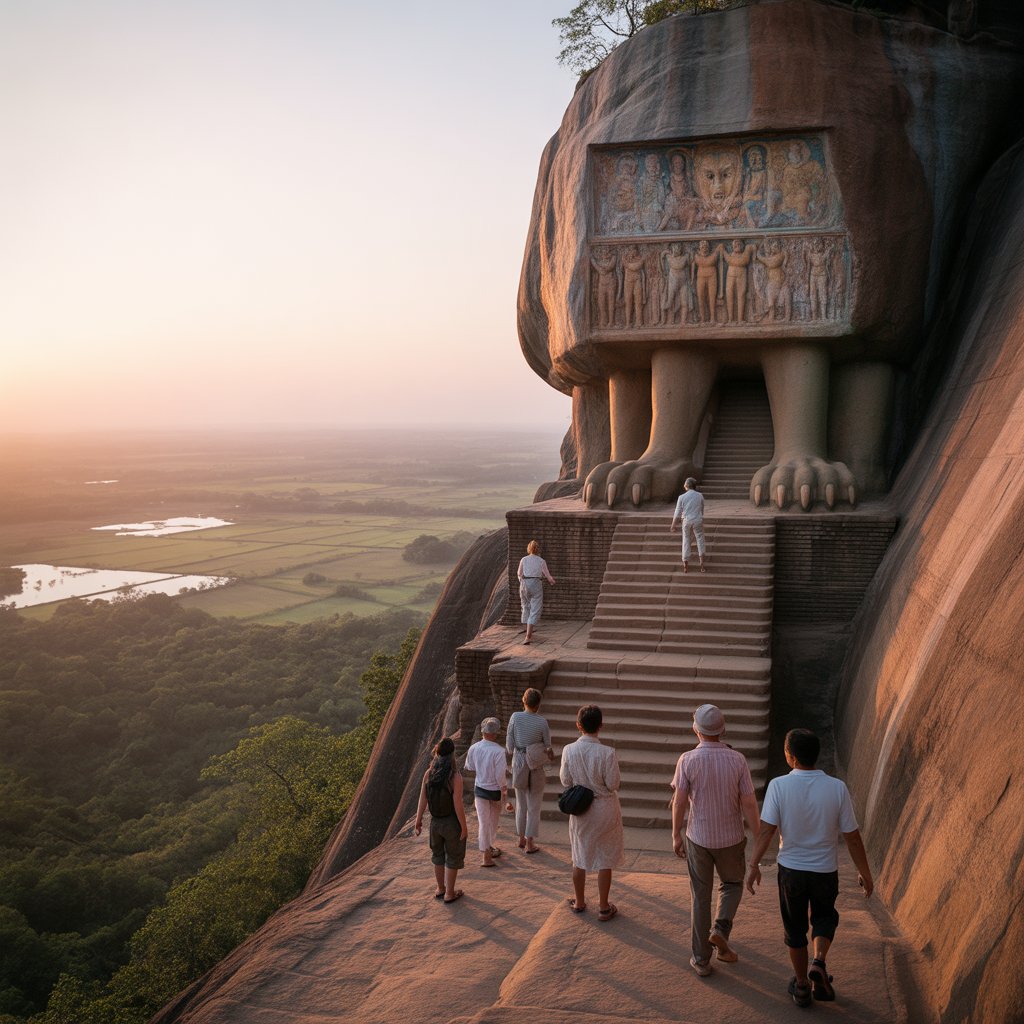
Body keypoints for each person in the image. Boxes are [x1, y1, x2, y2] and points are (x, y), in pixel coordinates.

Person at [745, 728, 874, 1007]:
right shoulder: (837, 788)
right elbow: (852, 836)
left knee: (795, 927)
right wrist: (865, 872)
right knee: (824, 918)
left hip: (791, 869)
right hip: (825, 870)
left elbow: (767, 831)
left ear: (790, 756)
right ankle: (819, 961)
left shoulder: (779, 786)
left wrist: (753, 864)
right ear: (816, 755)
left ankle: (802, 984)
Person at [671, 704, 761, 977]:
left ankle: (701, 959)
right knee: (733, 884)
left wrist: (676, 834)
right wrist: (760, 836)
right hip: (731, 837)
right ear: (722, 731)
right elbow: (748, 801)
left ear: (695, 729)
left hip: (698, 836)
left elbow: (680, 801)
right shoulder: (737, 760)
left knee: (700, 895)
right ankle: (720, 931)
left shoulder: (686, 760)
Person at [560, 704, 625, 921]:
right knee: (604, 858)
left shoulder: (569, 750)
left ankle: (579, 901)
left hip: (582, 809)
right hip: (605, 808)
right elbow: (613, 783)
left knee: (579, 856)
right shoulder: (607, 753)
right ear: (601, 726)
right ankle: (604, 907)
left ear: (578, 725)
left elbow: (565, 781)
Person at [414, 737, 468, 903]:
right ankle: (450, 893)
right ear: (452, 755)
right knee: (453, 856)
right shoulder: (455, 777)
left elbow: (422, 799)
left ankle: (440, 888)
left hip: (435, 822)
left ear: (437, 753)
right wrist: (464, 827)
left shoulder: (429, 774)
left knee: (437, 855)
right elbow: (458, 805)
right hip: (451, 822)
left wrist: (418, 819)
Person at [506, 688, 554, 853]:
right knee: (534, 806)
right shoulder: (542, 722)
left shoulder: (515, 717)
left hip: (519, 763)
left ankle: (520, 838)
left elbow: (509, 746)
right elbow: (547, 745)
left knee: (521, 804)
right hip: (536, 766)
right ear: (538, 704)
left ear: (523, 701)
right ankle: (530, 842)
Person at [464, 717, 508, 867]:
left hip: (480, 788)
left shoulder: (474, 748)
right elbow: (500, 775)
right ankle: (487, 852)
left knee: (483, 822)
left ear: (483, 731)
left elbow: (469, 767)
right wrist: (504, 788)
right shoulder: (499, 751)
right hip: (495, 789)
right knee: (492, 822)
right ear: (496, 734)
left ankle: (486, 853)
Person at [517, 540, 556, 644]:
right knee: (535, 608)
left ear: (529, 549)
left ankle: (527, 631)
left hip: (524, 584)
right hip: (535, 584)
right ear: (538, 549)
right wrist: (551, 581)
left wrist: (523, 581)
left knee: (525, 606)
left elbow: (519, 573)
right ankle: (528, 637)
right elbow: (548, 576)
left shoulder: (524, 559)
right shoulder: (541, 561)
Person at [670, 477, 706, 573]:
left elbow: (677, 512)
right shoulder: (700, 496)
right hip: (697, 520)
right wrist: (699, 518)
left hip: (686, 521)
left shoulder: (681, 497)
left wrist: (673, 525)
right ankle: (702, 563)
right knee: (700, 539)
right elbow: (701, 510)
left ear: (686, 486)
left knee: (686, 540)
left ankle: (685, 564)